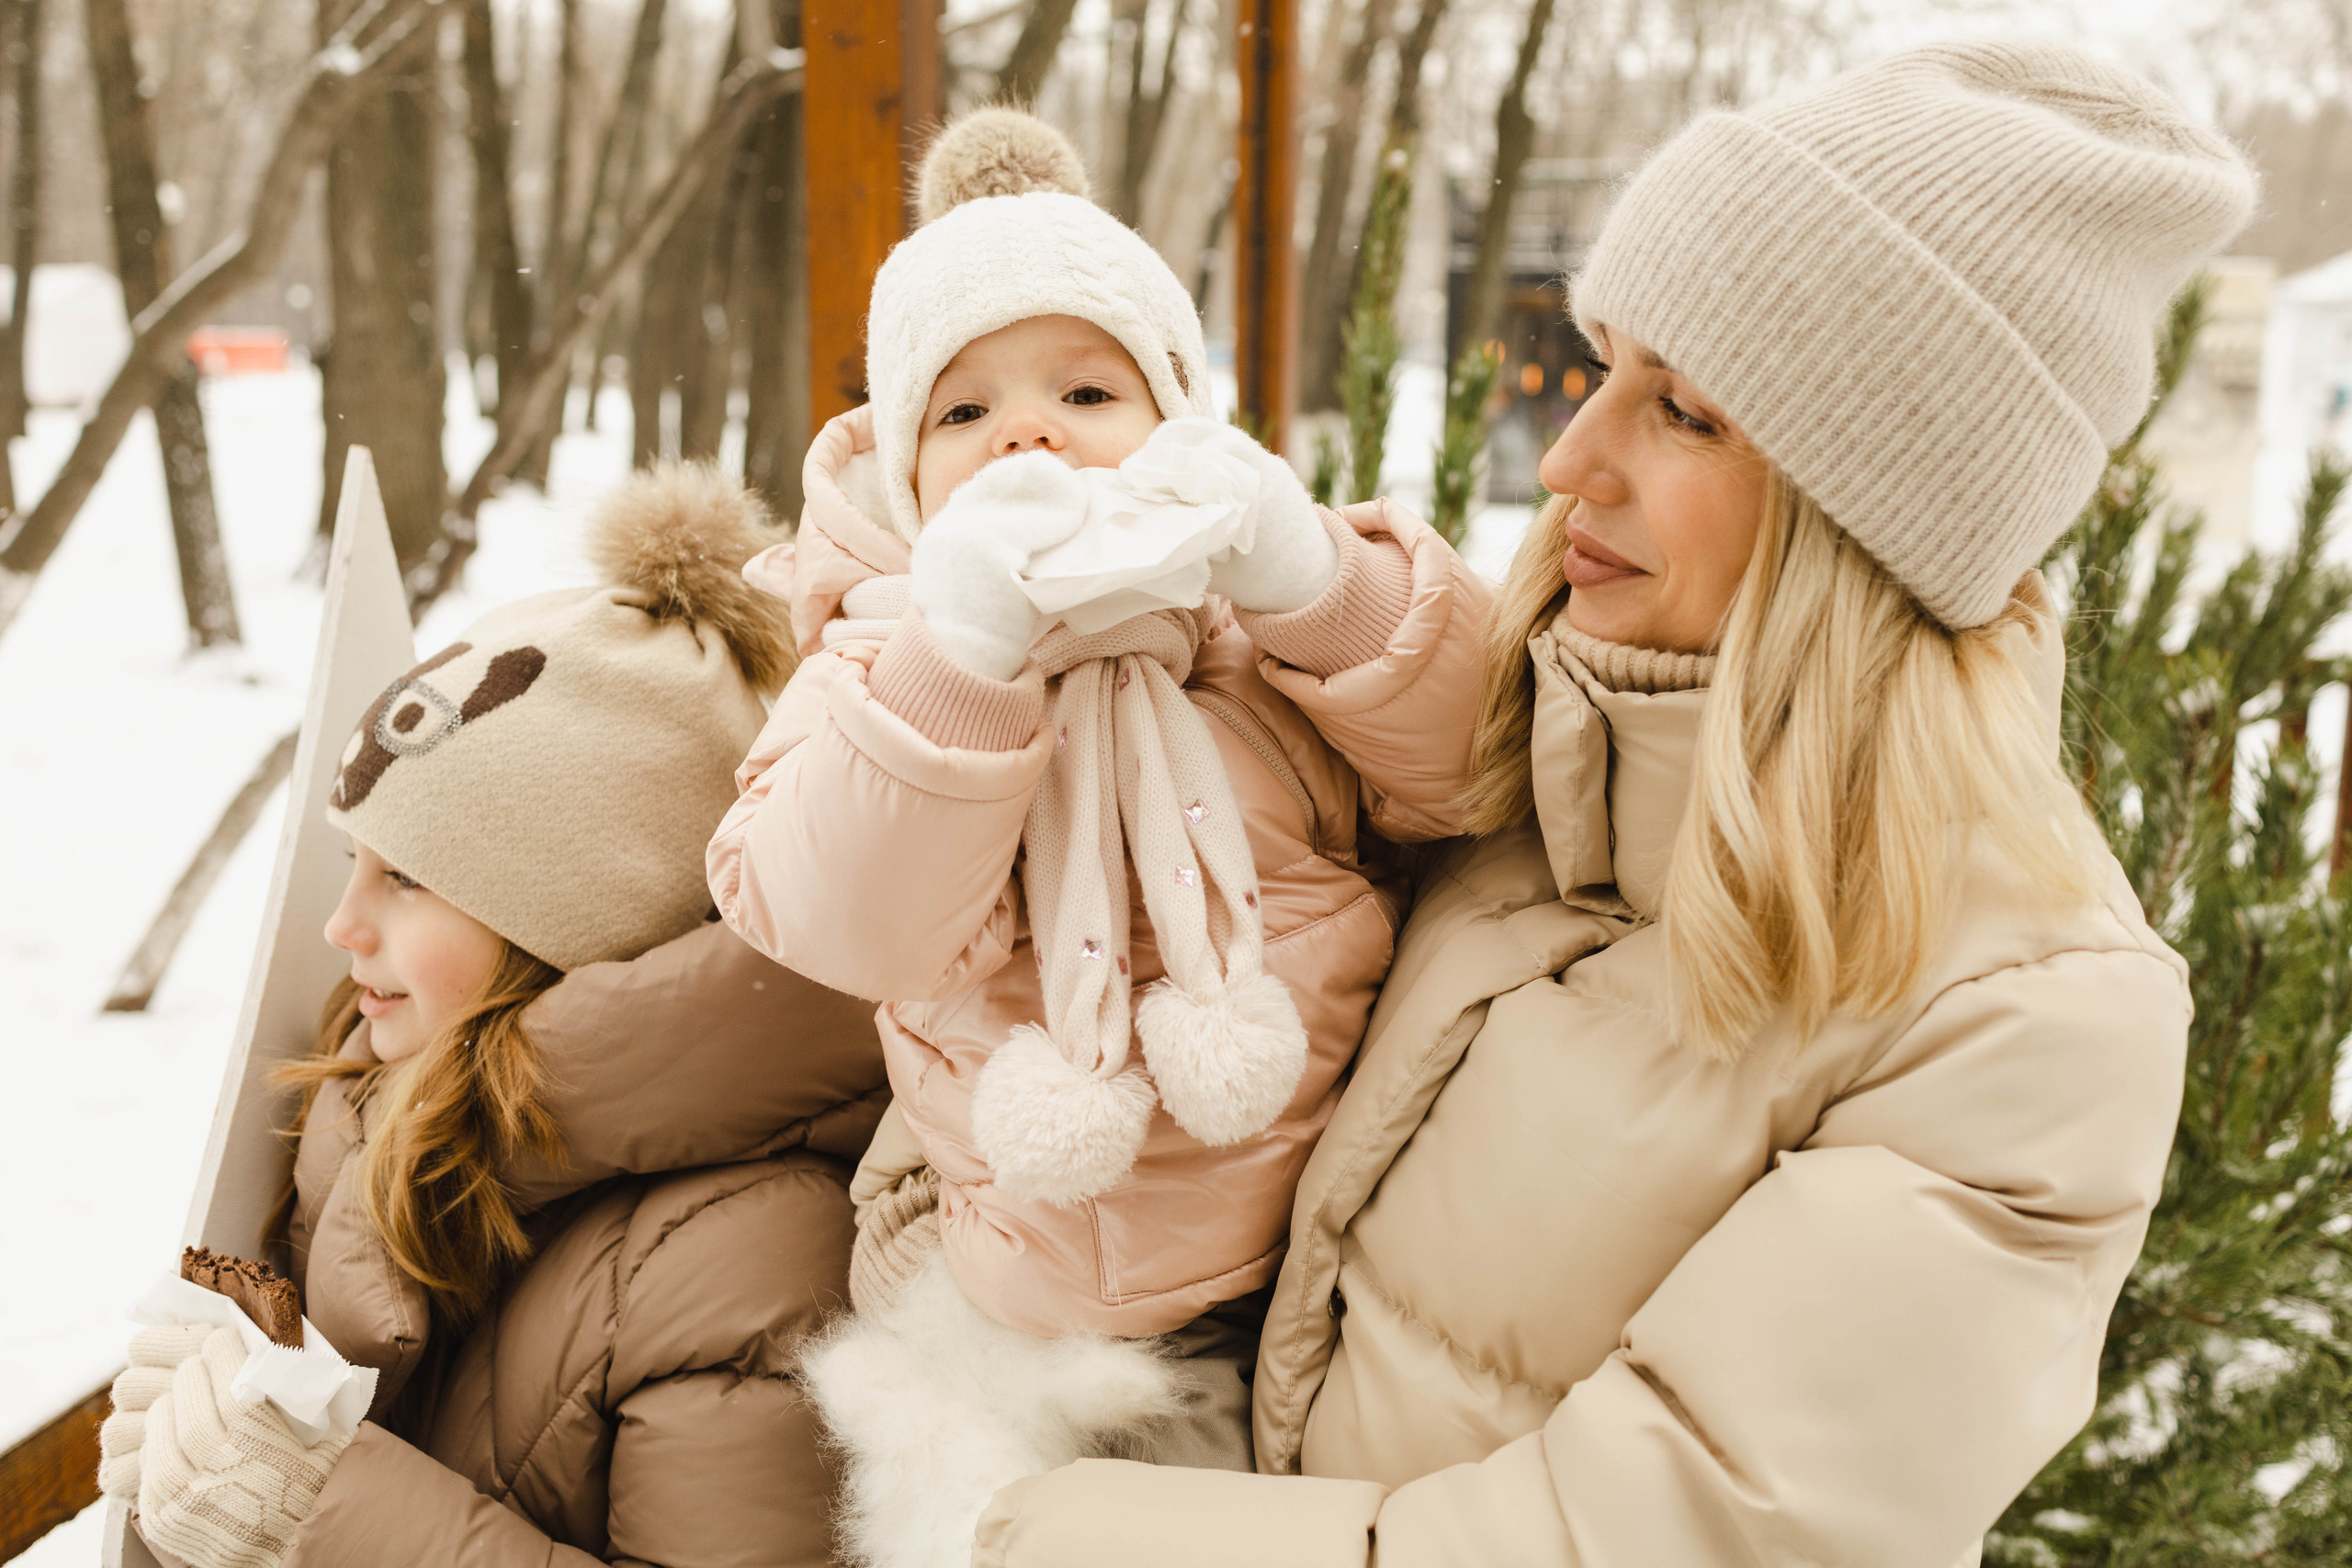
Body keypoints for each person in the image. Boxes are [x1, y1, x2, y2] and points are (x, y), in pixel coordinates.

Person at [963, 39, 2255, 1568]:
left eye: (1683, 412)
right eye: (1602, 372)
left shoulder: (2025, 1020)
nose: (1574, 456)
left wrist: (1028, 1532)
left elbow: (1666, 1534)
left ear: (1866, 515)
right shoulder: (1530, 763)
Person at [704, 107, 1489, 1567]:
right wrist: (966, 662)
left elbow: (1472, 764)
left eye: (1086, 388)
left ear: (1180, 421)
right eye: (963, 413)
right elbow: (831, 912)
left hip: (1309, 1262)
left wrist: (1319, 585)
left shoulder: (1251, 629)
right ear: (907, 484)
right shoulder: (876, 665)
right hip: (1015, 1299)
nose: (1030, 433)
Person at [96, 464, 888, 1568]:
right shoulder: (382, 1109)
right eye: (352, 862)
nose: (341, 926)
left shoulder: (745, 1254)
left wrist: (312, 1515)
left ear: (574, 922)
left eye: (409, 879)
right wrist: (207, 1461)